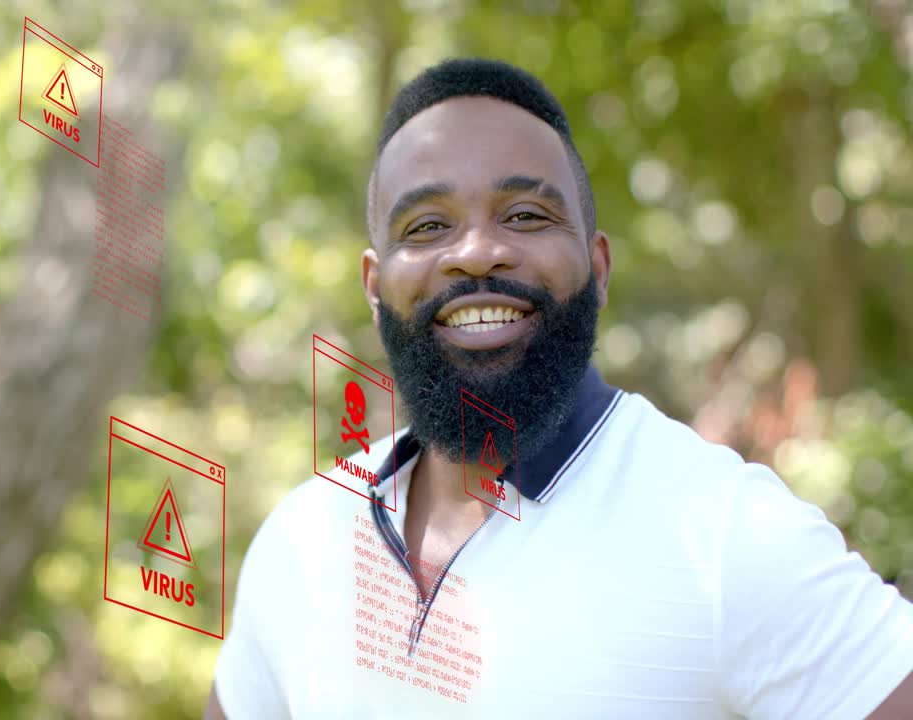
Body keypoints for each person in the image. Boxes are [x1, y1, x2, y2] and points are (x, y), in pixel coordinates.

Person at [204, 57, 913, 719]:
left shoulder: (726, 535)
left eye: (525, 215)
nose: (477, 252)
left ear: (598, 270)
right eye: (427, 226)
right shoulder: (301, 541)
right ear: (374, 285)